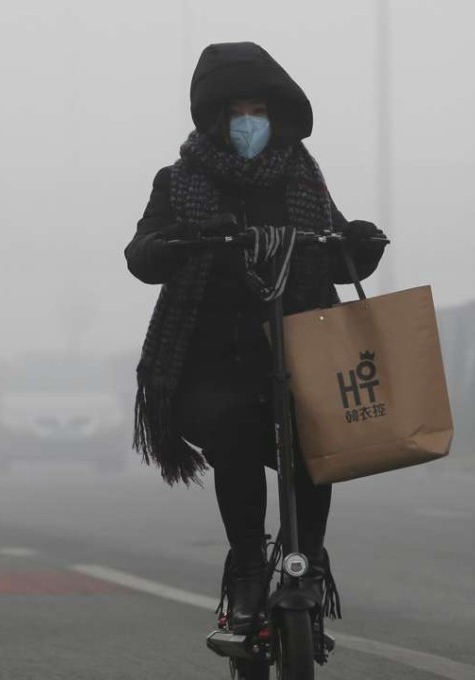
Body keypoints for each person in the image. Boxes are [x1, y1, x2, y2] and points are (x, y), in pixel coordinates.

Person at [124, 43, 386, 632]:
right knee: (235, 432)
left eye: (260, 109)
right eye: (238, 110)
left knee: (312, 442)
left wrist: (361, 244)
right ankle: (246, 569)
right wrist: (180, 242)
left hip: (302, 353)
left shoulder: (303, 175)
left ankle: (309, 565)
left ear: (279, 115)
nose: (250, 122)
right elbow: (143, 254)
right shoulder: (178, 182)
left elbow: (338, 252)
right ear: (216, 119)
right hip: (213, 358)